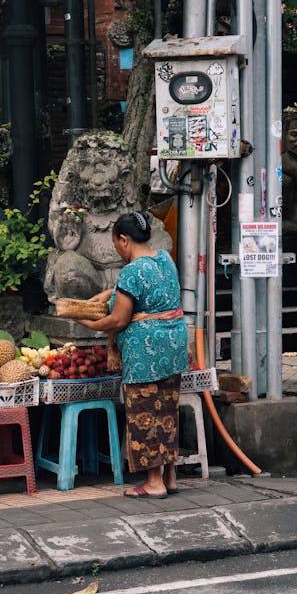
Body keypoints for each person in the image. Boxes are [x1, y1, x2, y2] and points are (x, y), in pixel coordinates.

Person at [74, 211, 188, 498]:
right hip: (173, 347)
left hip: (145, 353)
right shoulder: (164, 259)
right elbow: (146, 286)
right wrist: (111, 292)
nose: (118, 251)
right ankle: (171, 477)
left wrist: (88, 322)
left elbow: (119, 320)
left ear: (124, 239)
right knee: (167, 411)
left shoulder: (132, 271)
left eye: (116, 244)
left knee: (146, 412)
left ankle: (154, 482)